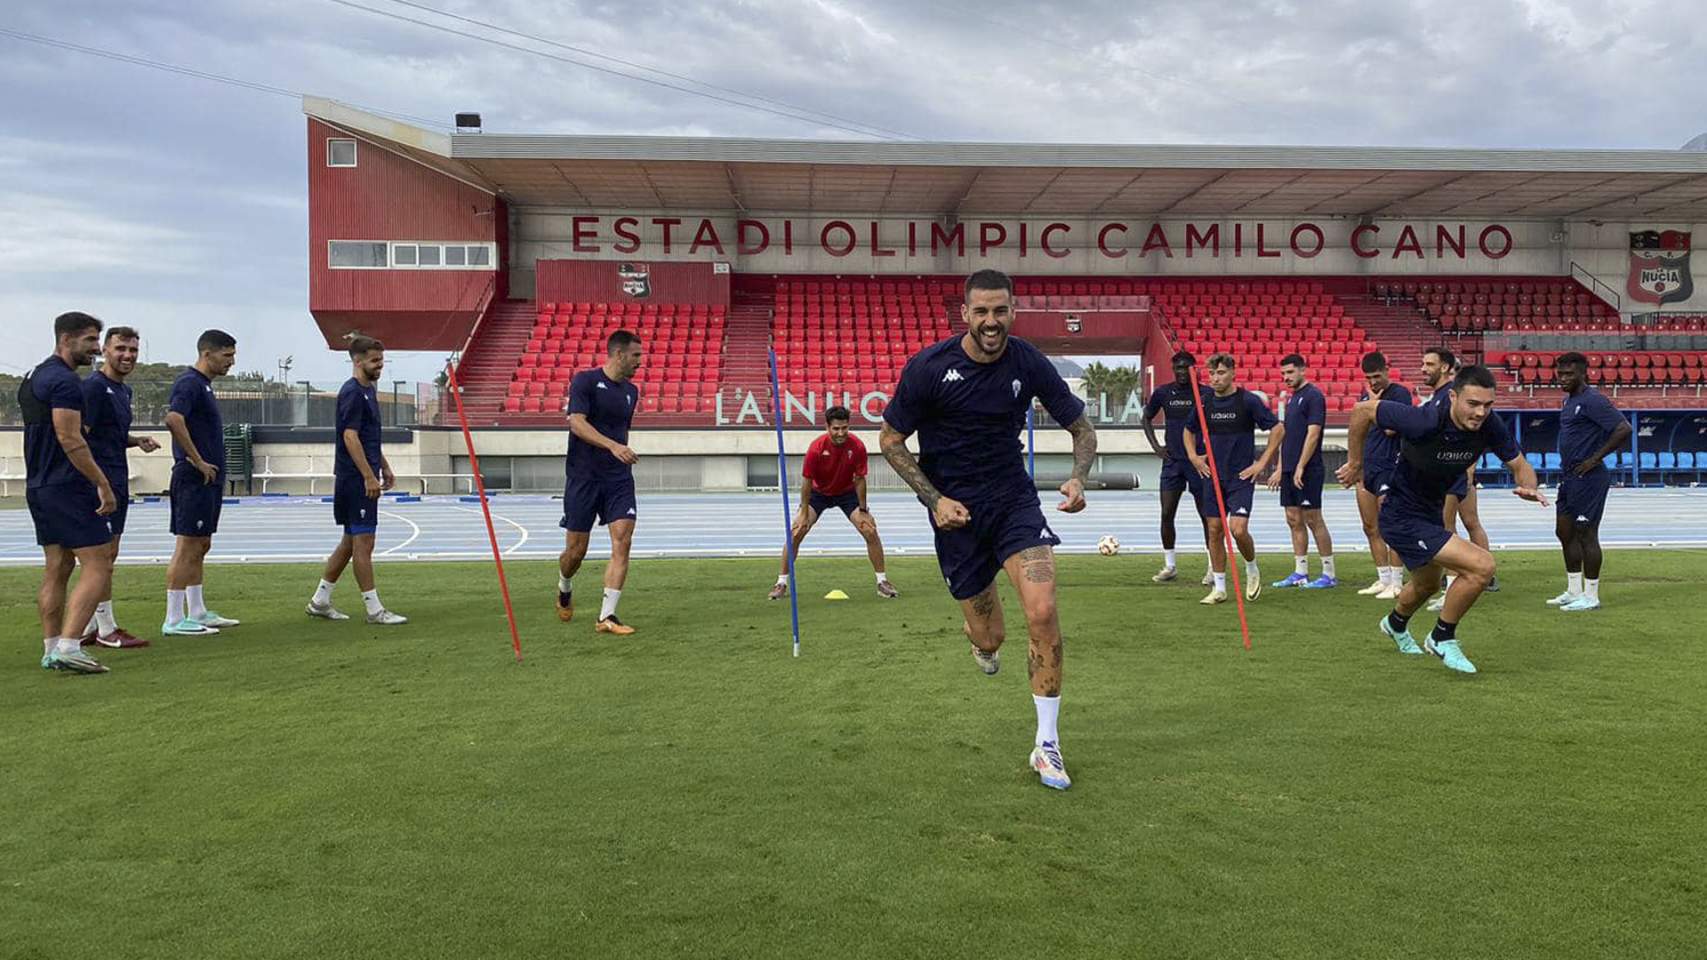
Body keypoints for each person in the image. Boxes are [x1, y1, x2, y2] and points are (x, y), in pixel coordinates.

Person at [880, 268, 1096, 791]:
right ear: (966, 315)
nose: (992, 321)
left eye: (1001, 311)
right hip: (957, 516)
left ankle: (1047, 745)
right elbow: (889, 440)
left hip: (1013, 503)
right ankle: (980, 643)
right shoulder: (929, 368)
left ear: (1013, 312)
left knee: (1043, 611)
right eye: (982, 312)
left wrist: (1078, 477)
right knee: (992, 633)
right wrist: (934, 499)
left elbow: (1081, 427)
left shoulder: (1027, 360)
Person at [1339, 365, 1546, 675]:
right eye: (1472, 404)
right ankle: (1442, 637)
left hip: (1431, 512)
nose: (1480, 412)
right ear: (1453, 397)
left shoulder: (1490, 425)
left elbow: (1519, 463)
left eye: (1487, 405)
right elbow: (1361, 411)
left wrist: (1528, 486)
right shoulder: (1424, 420)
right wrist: (1355, 462)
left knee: (1426, 584)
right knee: (1482, 566)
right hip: (1401, 515)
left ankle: (1395, 624)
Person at [20, 312, 117, 673]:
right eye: (91, 340)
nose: (96, 349)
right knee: (99, 561)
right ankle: (70, 644)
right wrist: (102, 483)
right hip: (67, 486)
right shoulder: (64, 381)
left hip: (39, 485)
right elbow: (69, 437)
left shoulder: (34, 376)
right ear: (67, 339)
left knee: (57, 567)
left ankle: (50, 649)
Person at [307, 336, 408, 625]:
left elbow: (368, 437)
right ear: (357, 360)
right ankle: (374, 609)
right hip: (354, 480)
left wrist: (384, 467)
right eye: (375, 360)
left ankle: (320, 600)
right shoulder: (352, 393)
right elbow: (350, 436)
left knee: (350, 542)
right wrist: (367, 475)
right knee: (365, 541)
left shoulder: (369, 391)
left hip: (364, 475)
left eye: (382, 360)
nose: (380, 366)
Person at [556, 330, 643, 635]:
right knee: (575, 553)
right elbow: (577, 423)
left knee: (623, 539)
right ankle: (564, 585)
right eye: (635, 356)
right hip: (583, 478)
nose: (639, 362)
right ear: (618, 354)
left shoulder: (632, 391)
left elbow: (621, 430)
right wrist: (613, 446)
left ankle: (607, 616)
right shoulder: (586, 381)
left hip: (618, 478)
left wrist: (620, 451)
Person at [78, 325, 159, 648]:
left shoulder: (123, 391)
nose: (127, 355)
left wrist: (135, 440)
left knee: (108, 554)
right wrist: (96, 482)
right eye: (120, 349)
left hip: (117, 478)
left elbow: (106, 434)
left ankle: (86, 625)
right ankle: (106, 628)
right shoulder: (94, 388)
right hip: (100, 483)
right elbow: (80, 436)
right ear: (105, 351)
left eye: (133, 350)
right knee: (101, 558)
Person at [1182, 353, 1281, 606]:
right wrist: (1194, 457)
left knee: (1238, 529)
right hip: (1212, 477)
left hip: (1240, 477)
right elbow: (1188, 430)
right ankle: (1220, 588)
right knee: (1215, 530)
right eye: (1212, 374)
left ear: (1233, 373)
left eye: (1221, 373)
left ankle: (1251, 567)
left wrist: (1261, 463)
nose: (1216, 378)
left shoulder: (1248, 401)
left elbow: (1278, 429)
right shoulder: (1204, 403)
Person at [769, 405, 897, 600]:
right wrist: (803, 512)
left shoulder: (857, 446)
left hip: (847, 494)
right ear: (827, 427)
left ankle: (882, 582)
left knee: (869, 529)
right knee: (796, 531)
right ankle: (781, 582)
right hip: (818, 494)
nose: (840, 433)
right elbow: (807, 482)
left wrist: (863, 510)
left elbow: (860, 479)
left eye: (844, 428)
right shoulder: (816, 448)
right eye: (836, 428)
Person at [162, 329, 240, 636]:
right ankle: (173, 618)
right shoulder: (189, 383)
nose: (231, 362)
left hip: (208, 479)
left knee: (202, 544)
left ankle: (197, 610)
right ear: (207, 354)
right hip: (193, 477)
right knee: (187, 545)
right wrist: (196, 459)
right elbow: (173, 419)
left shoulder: (204, 386)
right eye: (227, 355)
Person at [1548, 352, 1631, 612]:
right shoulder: (1568, 401)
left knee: (1586, 533)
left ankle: (1591, 595)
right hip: (1569, 477)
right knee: (1564, 531)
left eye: (1569, 374)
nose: (1563, 378)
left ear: (1585, 374)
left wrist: (1595, 459)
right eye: (1560, 373)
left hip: (1589, 478)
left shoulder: (1593, 400)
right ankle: (1573, 591)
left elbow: (1623, 428)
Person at [1417, 347, 1500, 608]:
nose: (1423, 369)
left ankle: (1453, 586)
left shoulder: (1449, 398)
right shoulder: (1442, 397)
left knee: (1448, 527)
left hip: (1452, 472)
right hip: (1459, 470)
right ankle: (1486, 575)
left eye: (1429, 364)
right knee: (1471, 522)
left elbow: (1470, 434)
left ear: (1445, 368)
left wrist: (1467, 468)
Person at [1141, 351, 1213, 585]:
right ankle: (1170, 565)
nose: (1182, 372)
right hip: (1172, 463)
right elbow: (1146, 417)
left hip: (1199, 464)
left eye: (1186, 368)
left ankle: (1213, 566)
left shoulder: (1206, 394)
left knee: (1206, 516)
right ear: (1174, 369)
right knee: (1166, 513)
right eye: (1178, 368)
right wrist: (1155, 446)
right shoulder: (1163, 393)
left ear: (1194, 369)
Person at [1268, 354, 1336, 589]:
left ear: (1302, 370)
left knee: (1313, 518)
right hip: (1288, 469)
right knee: (1293, 518)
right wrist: (1280, 467)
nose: (1286, 378)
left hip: (1307, 469)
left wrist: (1300, 466)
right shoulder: (1291, 398)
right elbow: (1286, 434)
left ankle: (1329, 573)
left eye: (1290, 372)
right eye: (1283, 374)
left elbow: (1313, 433)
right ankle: (1300, 571)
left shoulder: (1313, 396)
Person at [1353, 352, 1412, 600]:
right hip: (1369, 466)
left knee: (1392, 525)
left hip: (1392, 466)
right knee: (1370, 526)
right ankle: (1383, 578)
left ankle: (1397, 582)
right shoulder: (1365, 396)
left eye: (1377, 376)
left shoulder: (1399, 394)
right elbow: (1359, 427)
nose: (1373, 382)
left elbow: (1390, 429)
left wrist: (1374, 406)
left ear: (1386, 372)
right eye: (1369, 378)